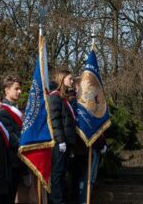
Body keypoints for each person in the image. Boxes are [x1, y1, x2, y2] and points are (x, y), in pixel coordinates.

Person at [47, 69, 77, 204]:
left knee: (63, 173)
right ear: (62, 79)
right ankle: (56, 200)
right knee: (57, 173)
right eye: (69, 78)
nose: (71, 81)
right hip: (60, 143)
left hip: (66, 141)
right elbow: (55, 120)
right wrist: (61, 140)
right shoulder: (54, 97)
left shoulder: (63, 98)